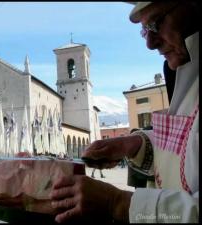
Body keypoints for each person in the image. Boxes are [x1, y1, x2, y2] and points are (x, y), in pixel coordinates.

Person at [49, 2, 199, 223]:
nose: (150, 43)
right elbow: (188, 143)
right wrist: (134, 144)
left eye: (156, 23)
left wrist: (116, 203)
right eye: (145, 30)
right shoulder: (187, 71)